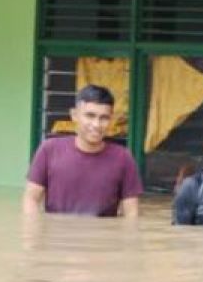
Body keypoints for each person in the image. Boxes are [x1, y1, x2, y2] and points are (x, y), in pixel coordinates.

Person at [22, 84, 143, 218]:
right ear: (74, 115)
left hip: (102, 238)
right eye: (90, 116)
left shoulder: (123, 158)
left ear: (111, 119)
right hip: (56, 237)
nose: (96, 124)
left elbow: (131, 214)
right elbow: (31, 199)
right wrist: (33, 234)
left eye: (104, 118)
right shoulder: (49, 150)